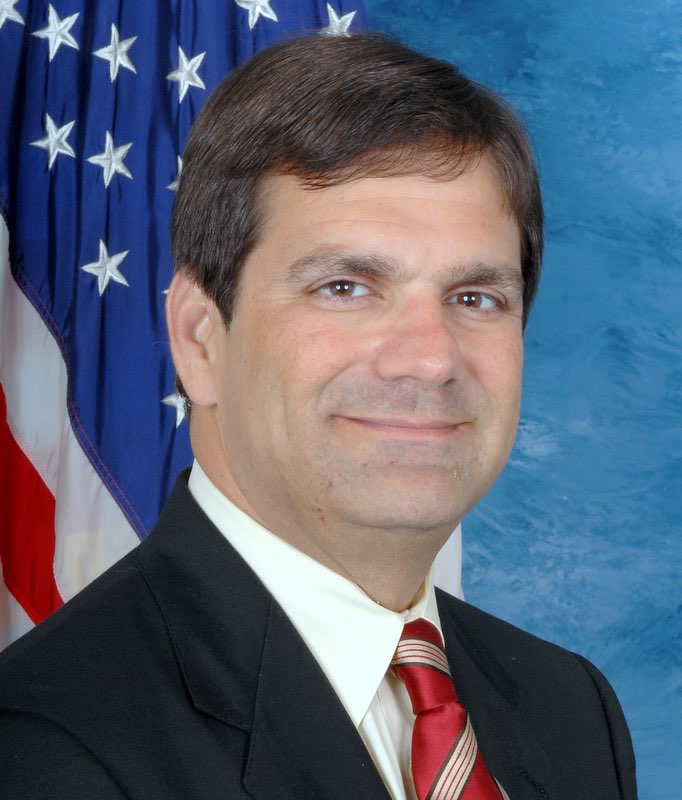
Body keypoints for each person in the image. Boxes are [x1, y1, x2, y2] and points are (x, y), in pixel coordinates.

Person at [0, 33, 637, 800]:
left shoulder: (571, 711)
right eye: (346, 288)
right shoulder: (46, 748)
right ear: (201, 340)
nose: (429, 359)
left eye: (475, 298)